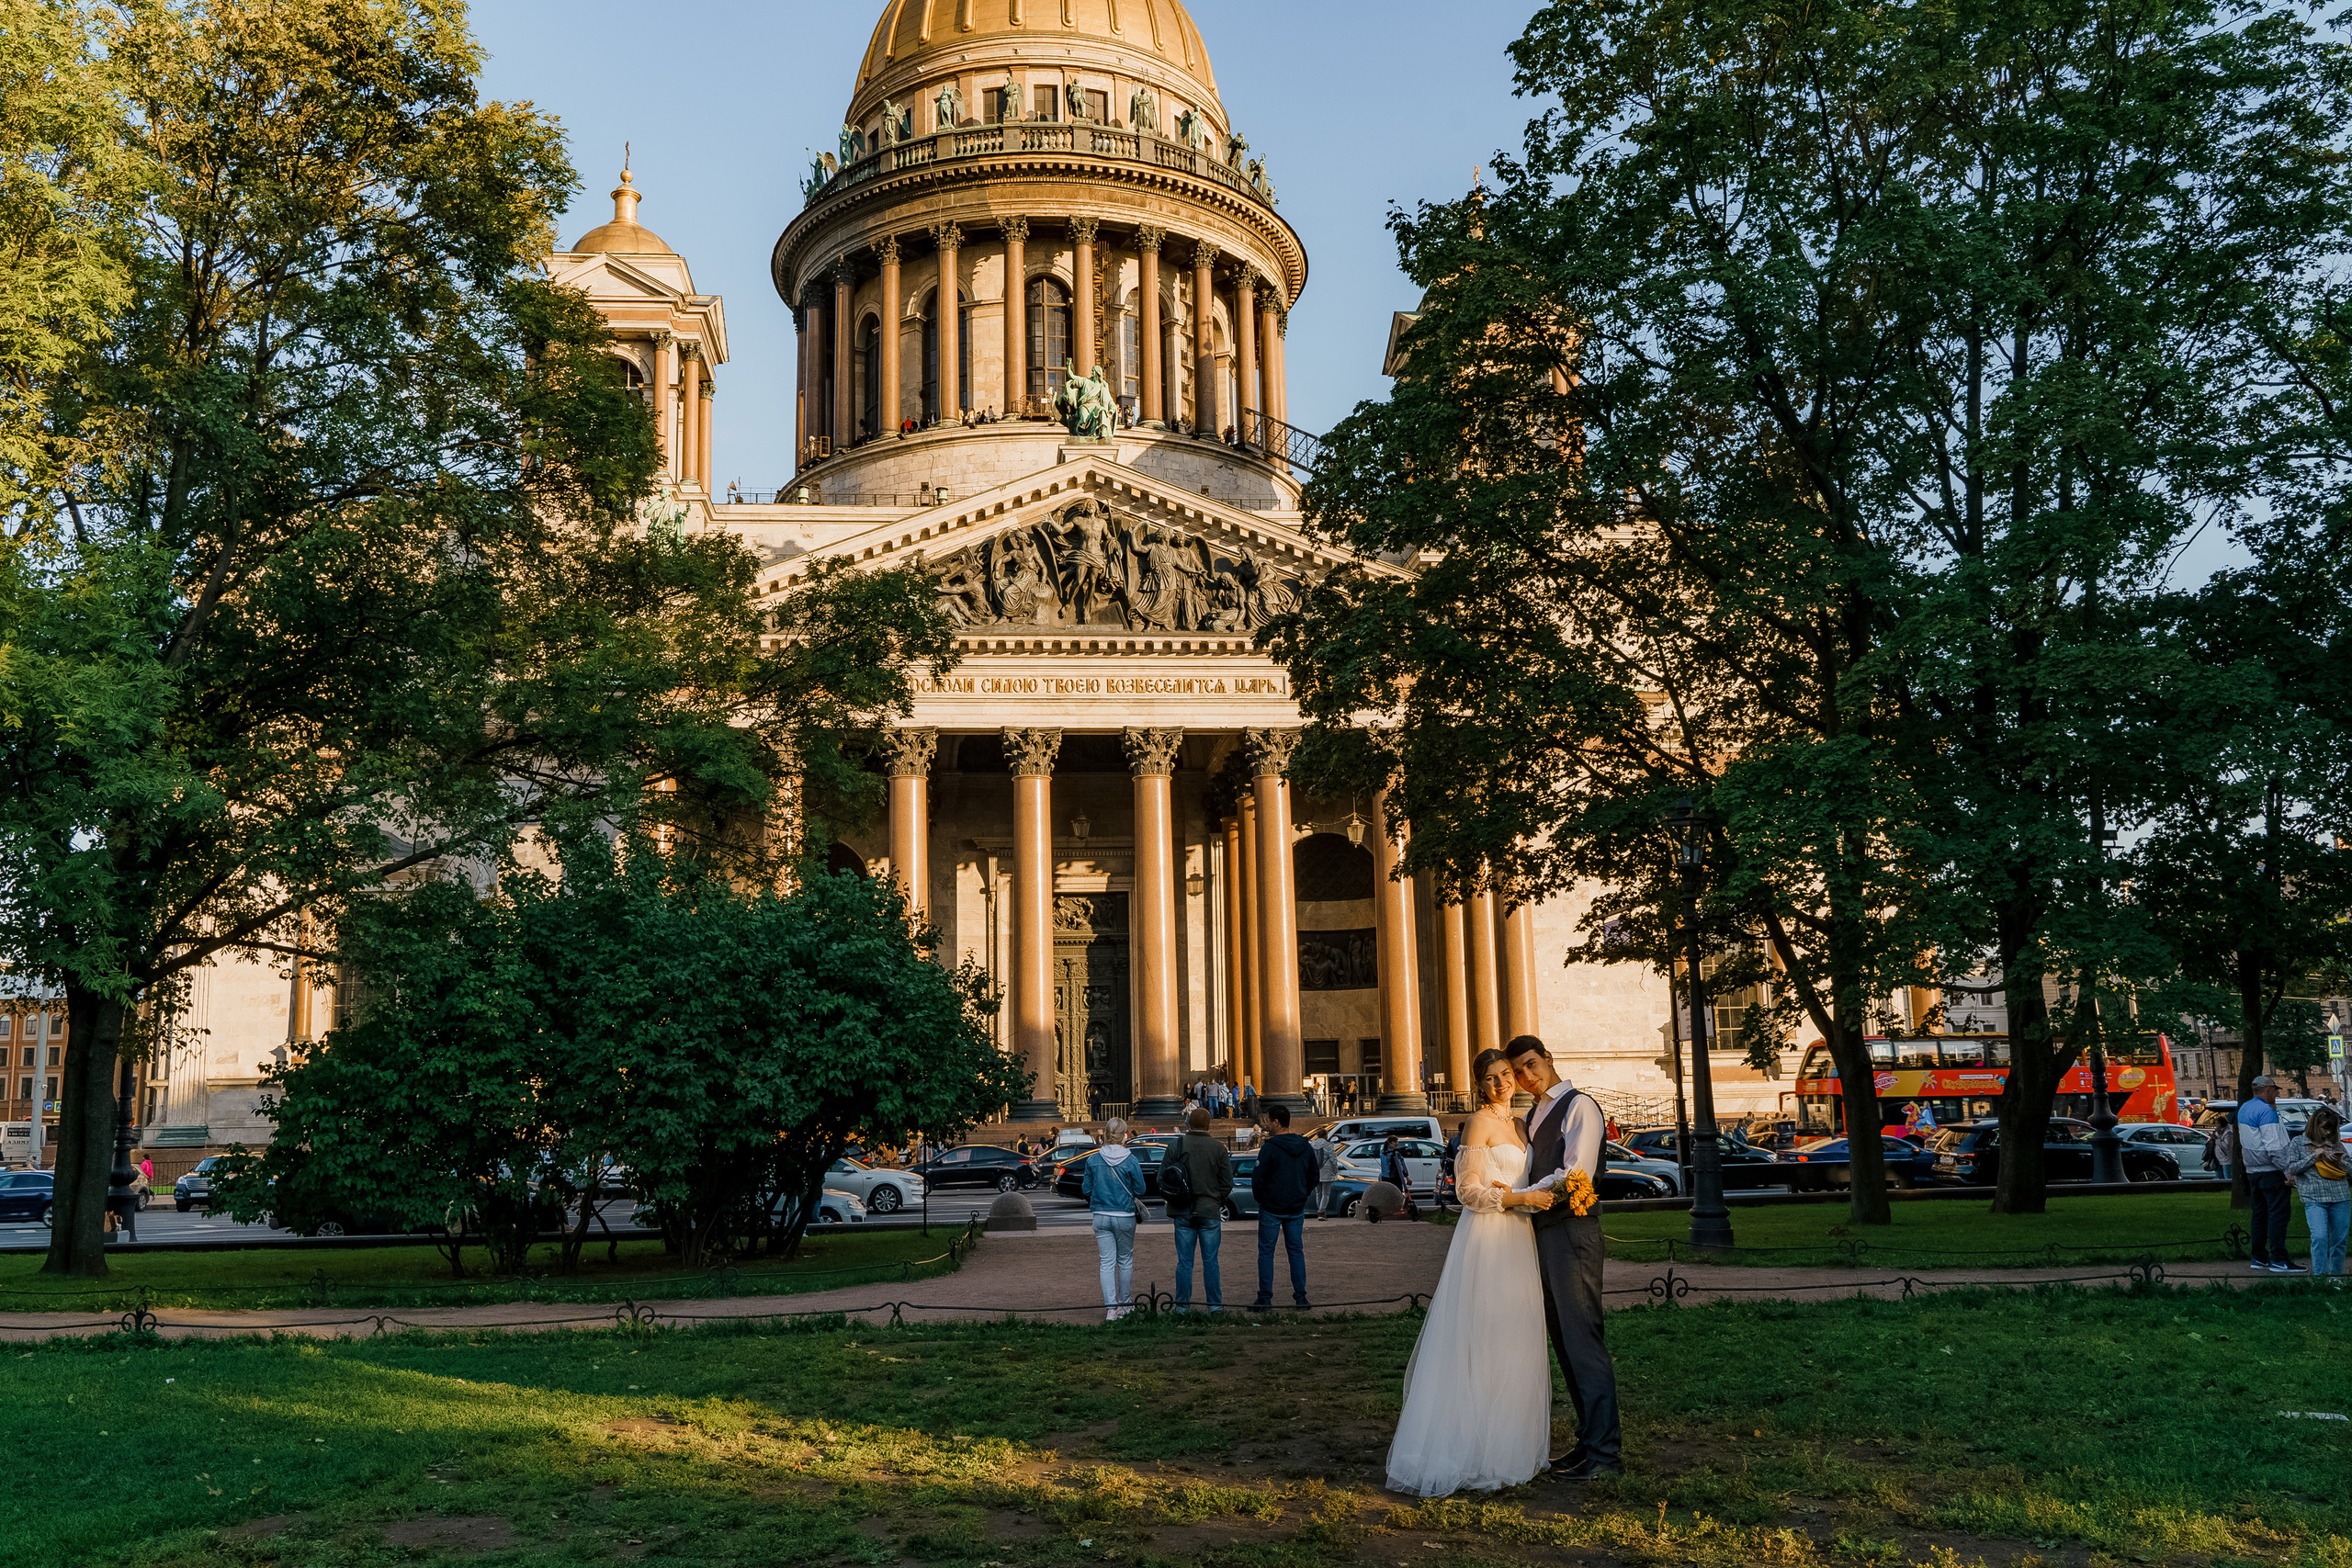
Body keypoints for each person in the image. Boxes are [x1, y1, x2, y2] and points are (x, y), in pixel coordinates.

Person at [1385, 1046, 1557, 1496]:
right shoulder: (1478, 1124)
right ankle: (1470, 1446)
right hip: (1488, 1236)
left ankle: (1509, 1444)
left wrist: (1535, 1195)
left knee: (1514, 1335)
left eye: (1506, 1075)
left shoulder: (1521, 1125)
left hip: (1519, 1239)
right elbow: (1467, 1191)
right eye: (1491, 1078)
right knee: (1482, 1335)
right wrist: (1522, 1200)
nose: (1501, 1084)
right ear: (1479, 1084)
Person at [1508, 1032, 1621, 1478]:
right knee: (1565, 1345)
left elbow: (1576, 1173)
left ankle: (1606, 1455)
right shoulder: (1534, 1114)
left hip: (1573, 1233)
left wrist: (1518, 1197)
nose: (1526, 1076)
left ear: (1549, 1058)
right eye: (1518, 1072)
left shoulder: (1579, 1105)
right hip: (1545, 1235)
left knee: (1583, 1342)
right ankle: (1589, 1442)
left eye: (1532, 1065)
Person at [1079, 1117, 1148, 1320]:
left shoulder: (1093, 1159)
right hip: (1125, 1215)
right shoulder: (1131, 1159)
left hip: (1100, 1215)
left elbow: (1086, 1189)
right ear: (1124, 1135)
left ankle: (1111, 1308)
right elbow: (1141, 1189)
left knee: (1106, 1263)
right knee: (1125, 1260)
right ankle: (1125, 1304)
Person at [1250, 1102, 1317, 1308]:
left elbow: (1258, 1179)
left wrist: (1263, 1199)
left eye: (1268, 1120)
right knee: (1296, 1251)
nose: (1266, 1124)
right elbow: (1314, 1176)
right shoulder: (1305, 1145)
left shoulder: (1270, 1148)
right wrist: (1301, 1194)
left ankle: (1265, 1297)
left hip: (1271, 1207)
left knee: (1266, 1252)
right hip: (1296, 1207)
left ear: (1276, 1122)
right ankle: (1300, 1296)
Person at [1168, 1107, 1235, 1310]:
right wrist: (1217, 1200)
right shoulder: (1218, 1148)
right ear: (1209, 1125)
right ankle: (1214, 1307)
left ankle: (1182, 1307)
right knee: (1211, 1262)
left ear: (1188, 1123)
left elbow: (1164, 1178)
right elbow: (1227, 1183)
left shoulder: (1176, 1146)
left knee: (1184, 1263)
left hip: (1182, 1210)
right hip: (1209, 1210)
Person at [2241, 1076, 2301, 1273]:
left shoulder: (2244, 1108)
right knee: (2278, 1215)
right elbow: (2274, 1147)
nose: (2277, 1093)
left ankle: (2259, 1257)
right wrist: (2288, 1171)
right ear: (2267, 1090)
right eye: (2275, 1090)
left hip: (2253, 1171)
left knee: (2259, 1215)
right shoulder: (2266, 1111)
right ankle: (2279, 1259)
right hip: (2271, 1171)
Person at [2290, 1104, 2348, 1279]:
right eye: (2325, 1128)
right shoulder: (2299, 1143)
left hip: (2340, 1196)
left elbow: (2350, 1167)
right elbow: (2292, 1168)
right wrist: (2314, 1156)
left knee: (2340, 1240)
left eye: (2332, 1129)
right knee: (2320, 1237)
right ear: (2315, 1125)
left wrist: (2339, 1161)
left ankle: (2336, 1277)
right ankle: (2320, 1277)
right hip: (2314, 1198)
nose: (2328, 1133)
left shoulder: (2336, 1143)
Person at [1311, 1127, 1340, 1220]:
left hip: (1315, 1171)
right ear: (1325, 1135)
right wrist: (1335, 1171)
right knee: (1326, 1193)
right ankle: (1322, 1211)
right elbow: (1333, 1159)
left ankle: (1320, 1211)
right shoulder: (1328, 1145)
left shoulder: (1312, 1144)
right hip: (1326, 1170)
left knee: (1318, 1193)